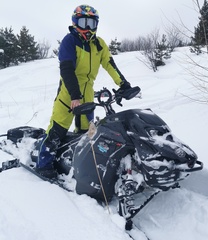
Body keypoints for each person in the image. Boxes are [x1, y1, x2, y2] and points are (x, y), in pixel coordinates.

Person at [35, 4, 136, 178]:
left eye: (91, 23)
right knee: (56, 130)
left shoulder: (99, 44)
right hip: (68, 93)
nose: (88, 28)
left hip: (88, 93)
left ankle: (76, 163)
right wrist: (75, 95)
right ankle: (43, 164)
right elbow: (66, 69)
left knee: (86, 133)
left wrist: (124, 84)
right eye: (83, 22)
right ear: (75, 23)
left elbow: (110, 65)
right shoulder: (70, 41)